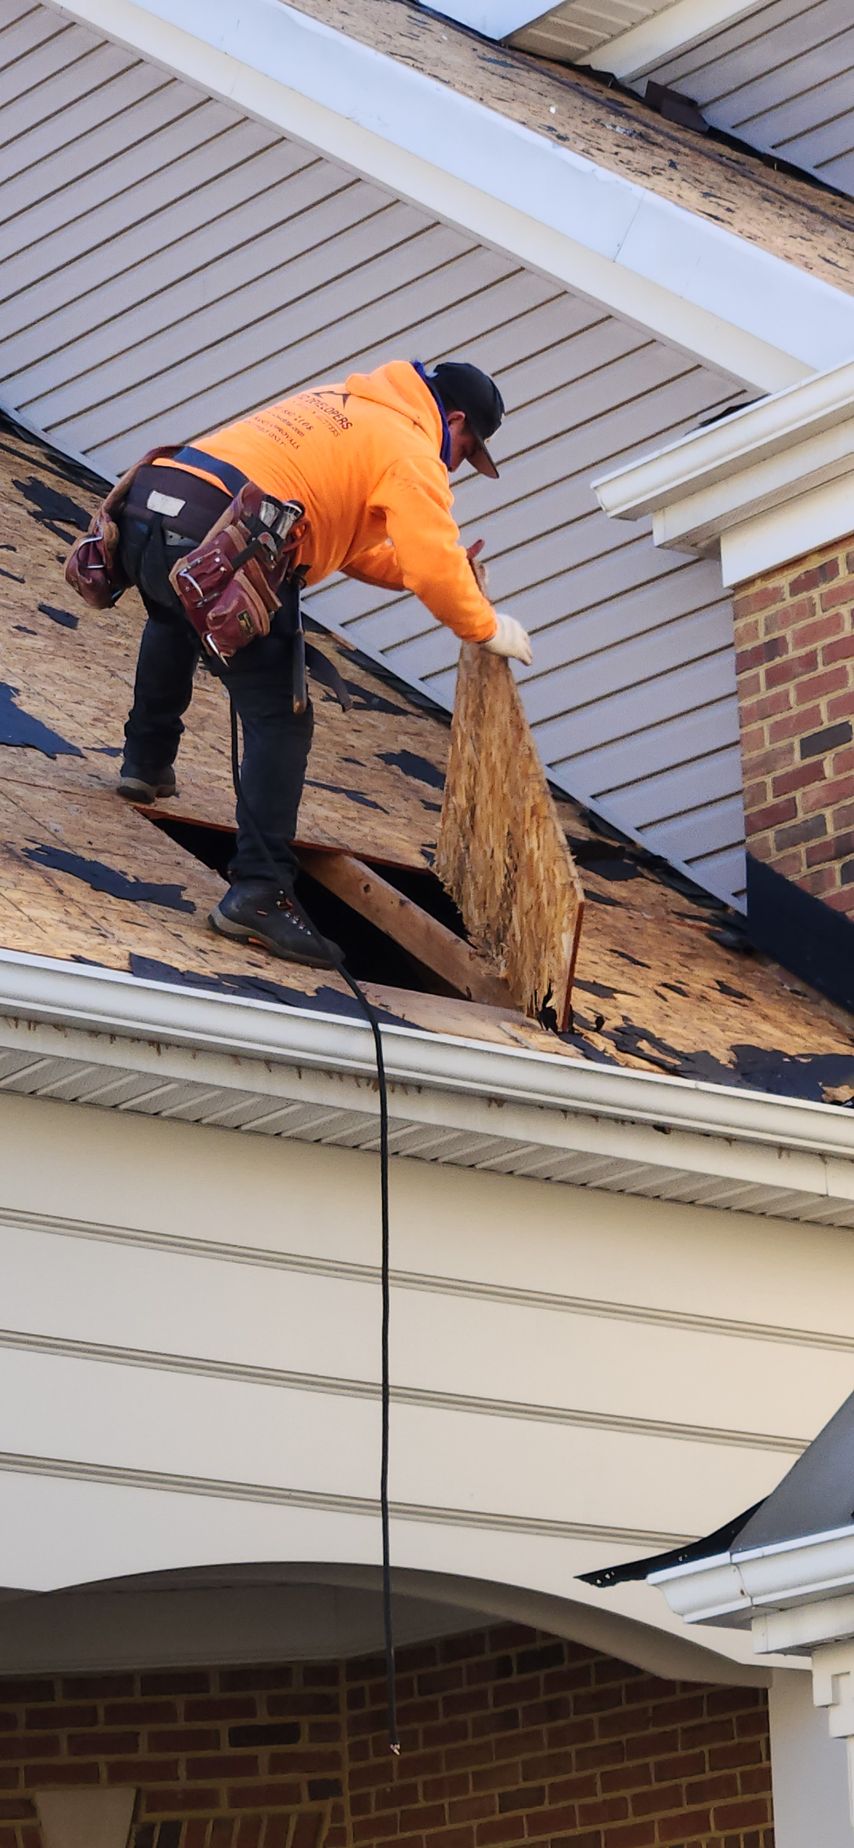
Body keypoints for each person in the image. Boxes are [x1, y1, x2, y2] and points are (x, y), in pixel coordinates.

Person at [115, 357, 533, 967]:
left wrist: (442, 570)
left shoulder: (344, 404)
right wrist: (487, 625)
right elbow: (429, 562)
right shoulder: (412, 448)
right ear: (457, 419)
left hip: (151, 506)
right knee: (281, 719)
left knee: (174, 613)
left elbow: (362, 550)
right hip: (221, 535)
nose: (456, 463)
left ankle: (145, 764)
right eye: (465, 448)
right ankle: (258, 892)